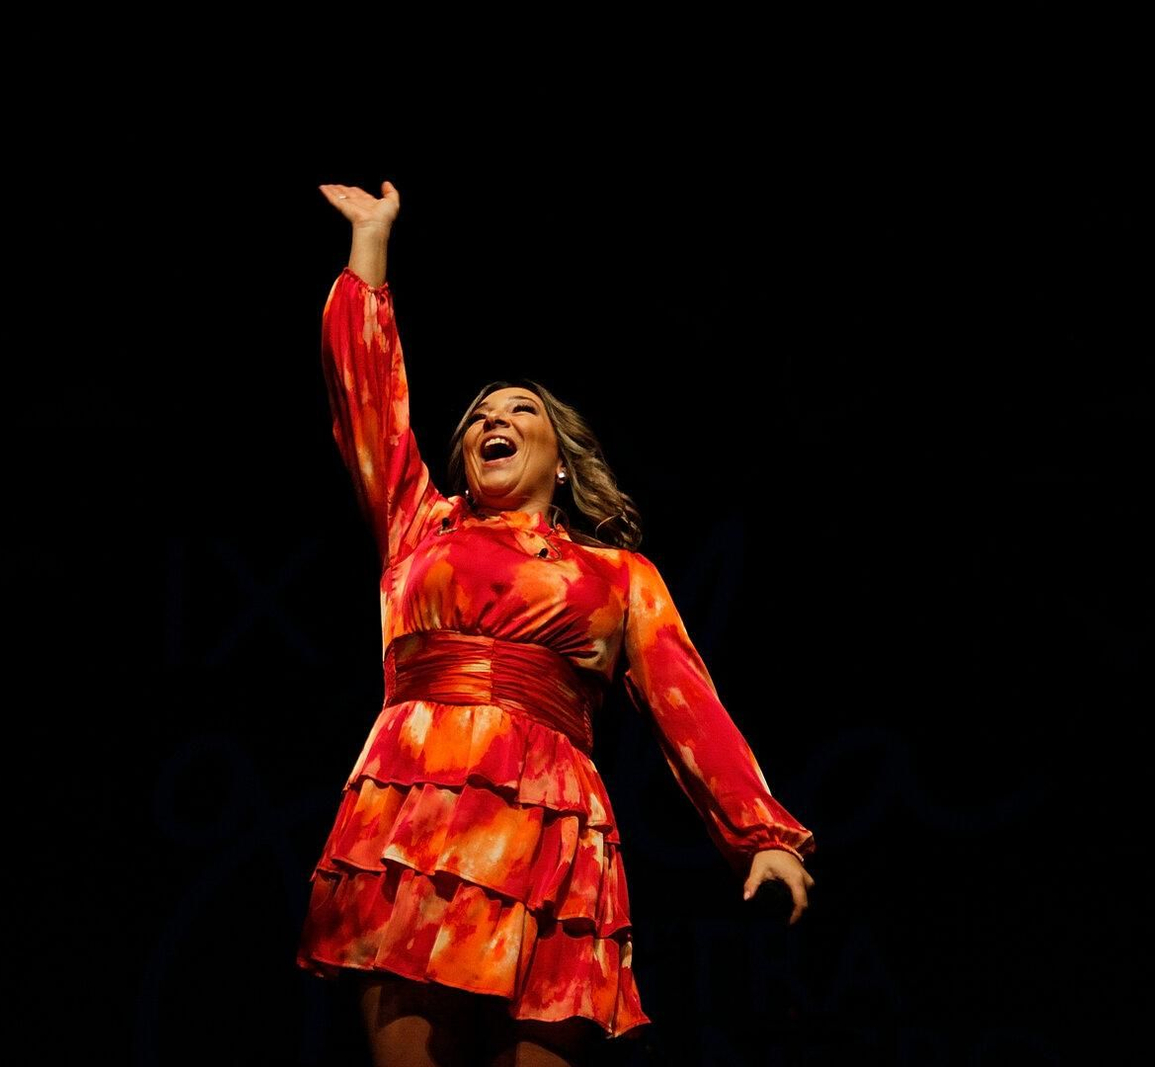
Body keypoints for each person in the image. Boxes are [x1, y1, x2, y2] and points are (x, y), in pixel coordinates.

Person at [295, 180, 818, 1067]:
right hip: (417, 812)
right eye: (478, 419)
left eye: (518, 411)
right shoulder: (420, 522)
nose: (492, 420)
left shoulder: (616, 575)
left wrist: (761, 835)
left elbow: (693, 711)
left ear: (562, 459)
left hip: (548, 827)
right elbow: (369, 395)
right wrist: (371, 246)